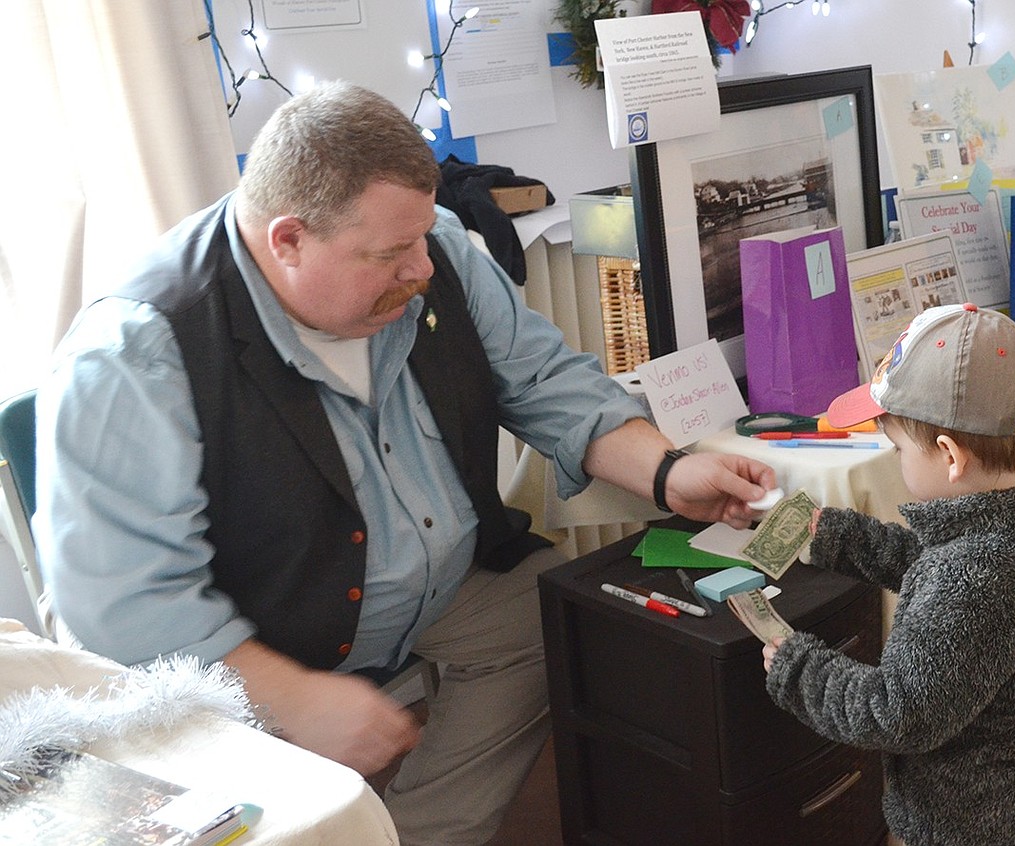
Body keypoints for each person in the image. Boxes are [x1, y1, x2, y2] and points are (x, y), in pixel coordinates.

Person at [34, 80, 776, 845]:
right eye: (390, 254)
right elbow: (126, 606)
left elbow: (541, 377)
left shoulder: (436, 246)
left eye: (423, 237)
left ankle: (420, 833)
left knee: (561, 621)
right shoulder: (134, 355)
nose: (422, 267)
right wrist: (293, 696)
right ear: (287, 239)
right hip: (250, 639)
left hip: (441, 583)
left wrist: (665, 470)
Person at [760, 302, 1015, 846]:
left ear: (949, 455)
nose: (895, 458)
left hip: (971, 828)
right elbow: (936, 567)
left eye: (895, 448)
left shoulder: (977, 576)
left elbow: (896, 714)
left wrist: (801, 669)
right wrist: (842, 537)